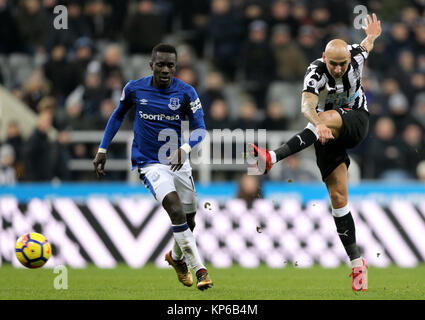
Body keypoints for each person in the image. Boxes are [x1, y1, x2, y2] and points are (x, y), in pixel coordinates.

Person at [249, 13, 382, 292]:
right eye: (332, 63)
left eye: (341, 64)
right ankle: (357, 263)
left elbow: (366, 45)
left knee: (330, 113)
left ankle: (272, 157)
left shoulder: (356, 56)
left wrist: (371, 35)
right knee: (338, 198)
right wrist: (319, 123)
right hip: (327, 128)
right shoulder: (316, 70)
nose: (337, 69)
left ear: (349, 59)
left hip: (356, 120)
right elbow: (306, 107)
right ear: (324, 57)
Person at [93, 43, 213, 291]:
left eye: (170, 65)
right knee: (176, 211)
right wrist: (103, 148)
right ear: (152, 65)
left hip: (179, 160)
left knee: (189, 221)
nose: (166, 70)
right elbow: (117, 116)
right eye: (161, 64)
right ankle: (200, 270)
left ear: (175, 67)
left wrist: (186, 149)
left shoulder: (187, 92)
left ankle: (176, 258)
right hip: (149, 163)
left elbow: (200, 129)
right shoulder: (135, 89)